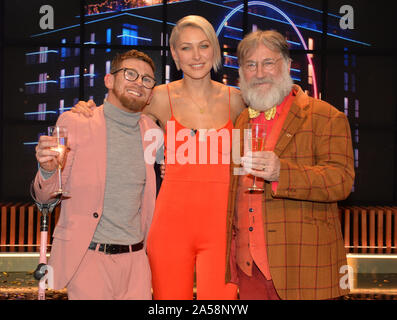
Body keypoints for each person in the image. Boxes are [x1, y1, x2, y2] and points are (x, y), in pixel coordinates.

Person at [72, 15, 245, 300]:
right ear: (175, 54)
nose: (196, 56)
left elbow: (270, 125)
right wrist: (87, 111)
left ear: (214, 50)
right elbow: (115, 119)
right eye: (186, 48)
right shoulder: (157, 97)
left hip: (223, 232)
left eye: (203, 46)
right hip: (169, 229)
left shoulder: (237, 100)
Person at [225, 30, 355, 300]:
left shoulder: (326, 117)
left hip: (303, 269)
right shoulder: (241, 121)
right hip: (249, 273)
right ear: (242, 73)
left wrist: (282, 172)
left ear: (286, 65)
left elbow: (341, 181)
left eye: (268, 63)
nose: (259, 72)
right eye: (251, 65)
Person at [33, 49, 162, 300]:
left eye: (147, 79)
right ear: (109, 80)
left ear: (150, 94)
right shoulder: (75, 121)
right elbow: (45, 199)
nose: (139, 83)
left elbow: (190, 155)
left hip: (137, 264)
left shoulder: (152, 132)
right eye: (130, 74)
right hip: (88, 258)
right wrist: (47, 171)